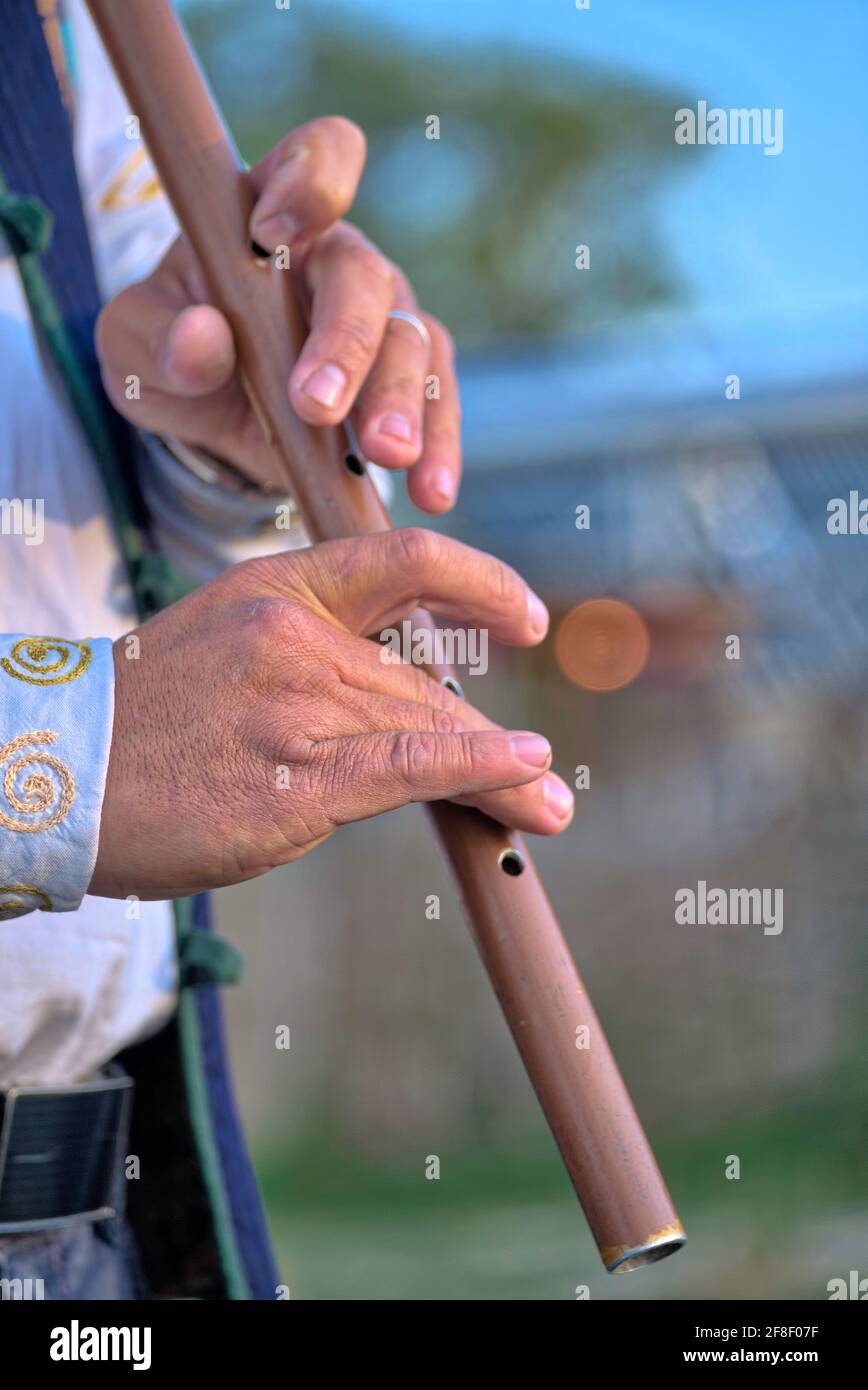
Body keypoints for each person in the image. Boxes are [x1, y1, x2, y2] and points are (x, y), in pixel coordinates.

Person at [0, 0, 573, 1299]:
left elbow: (89, 537)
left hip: (86, 1230)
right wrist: (61, 753)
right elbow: (95, 719)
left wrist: (225, 441)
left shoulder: (60, 27)